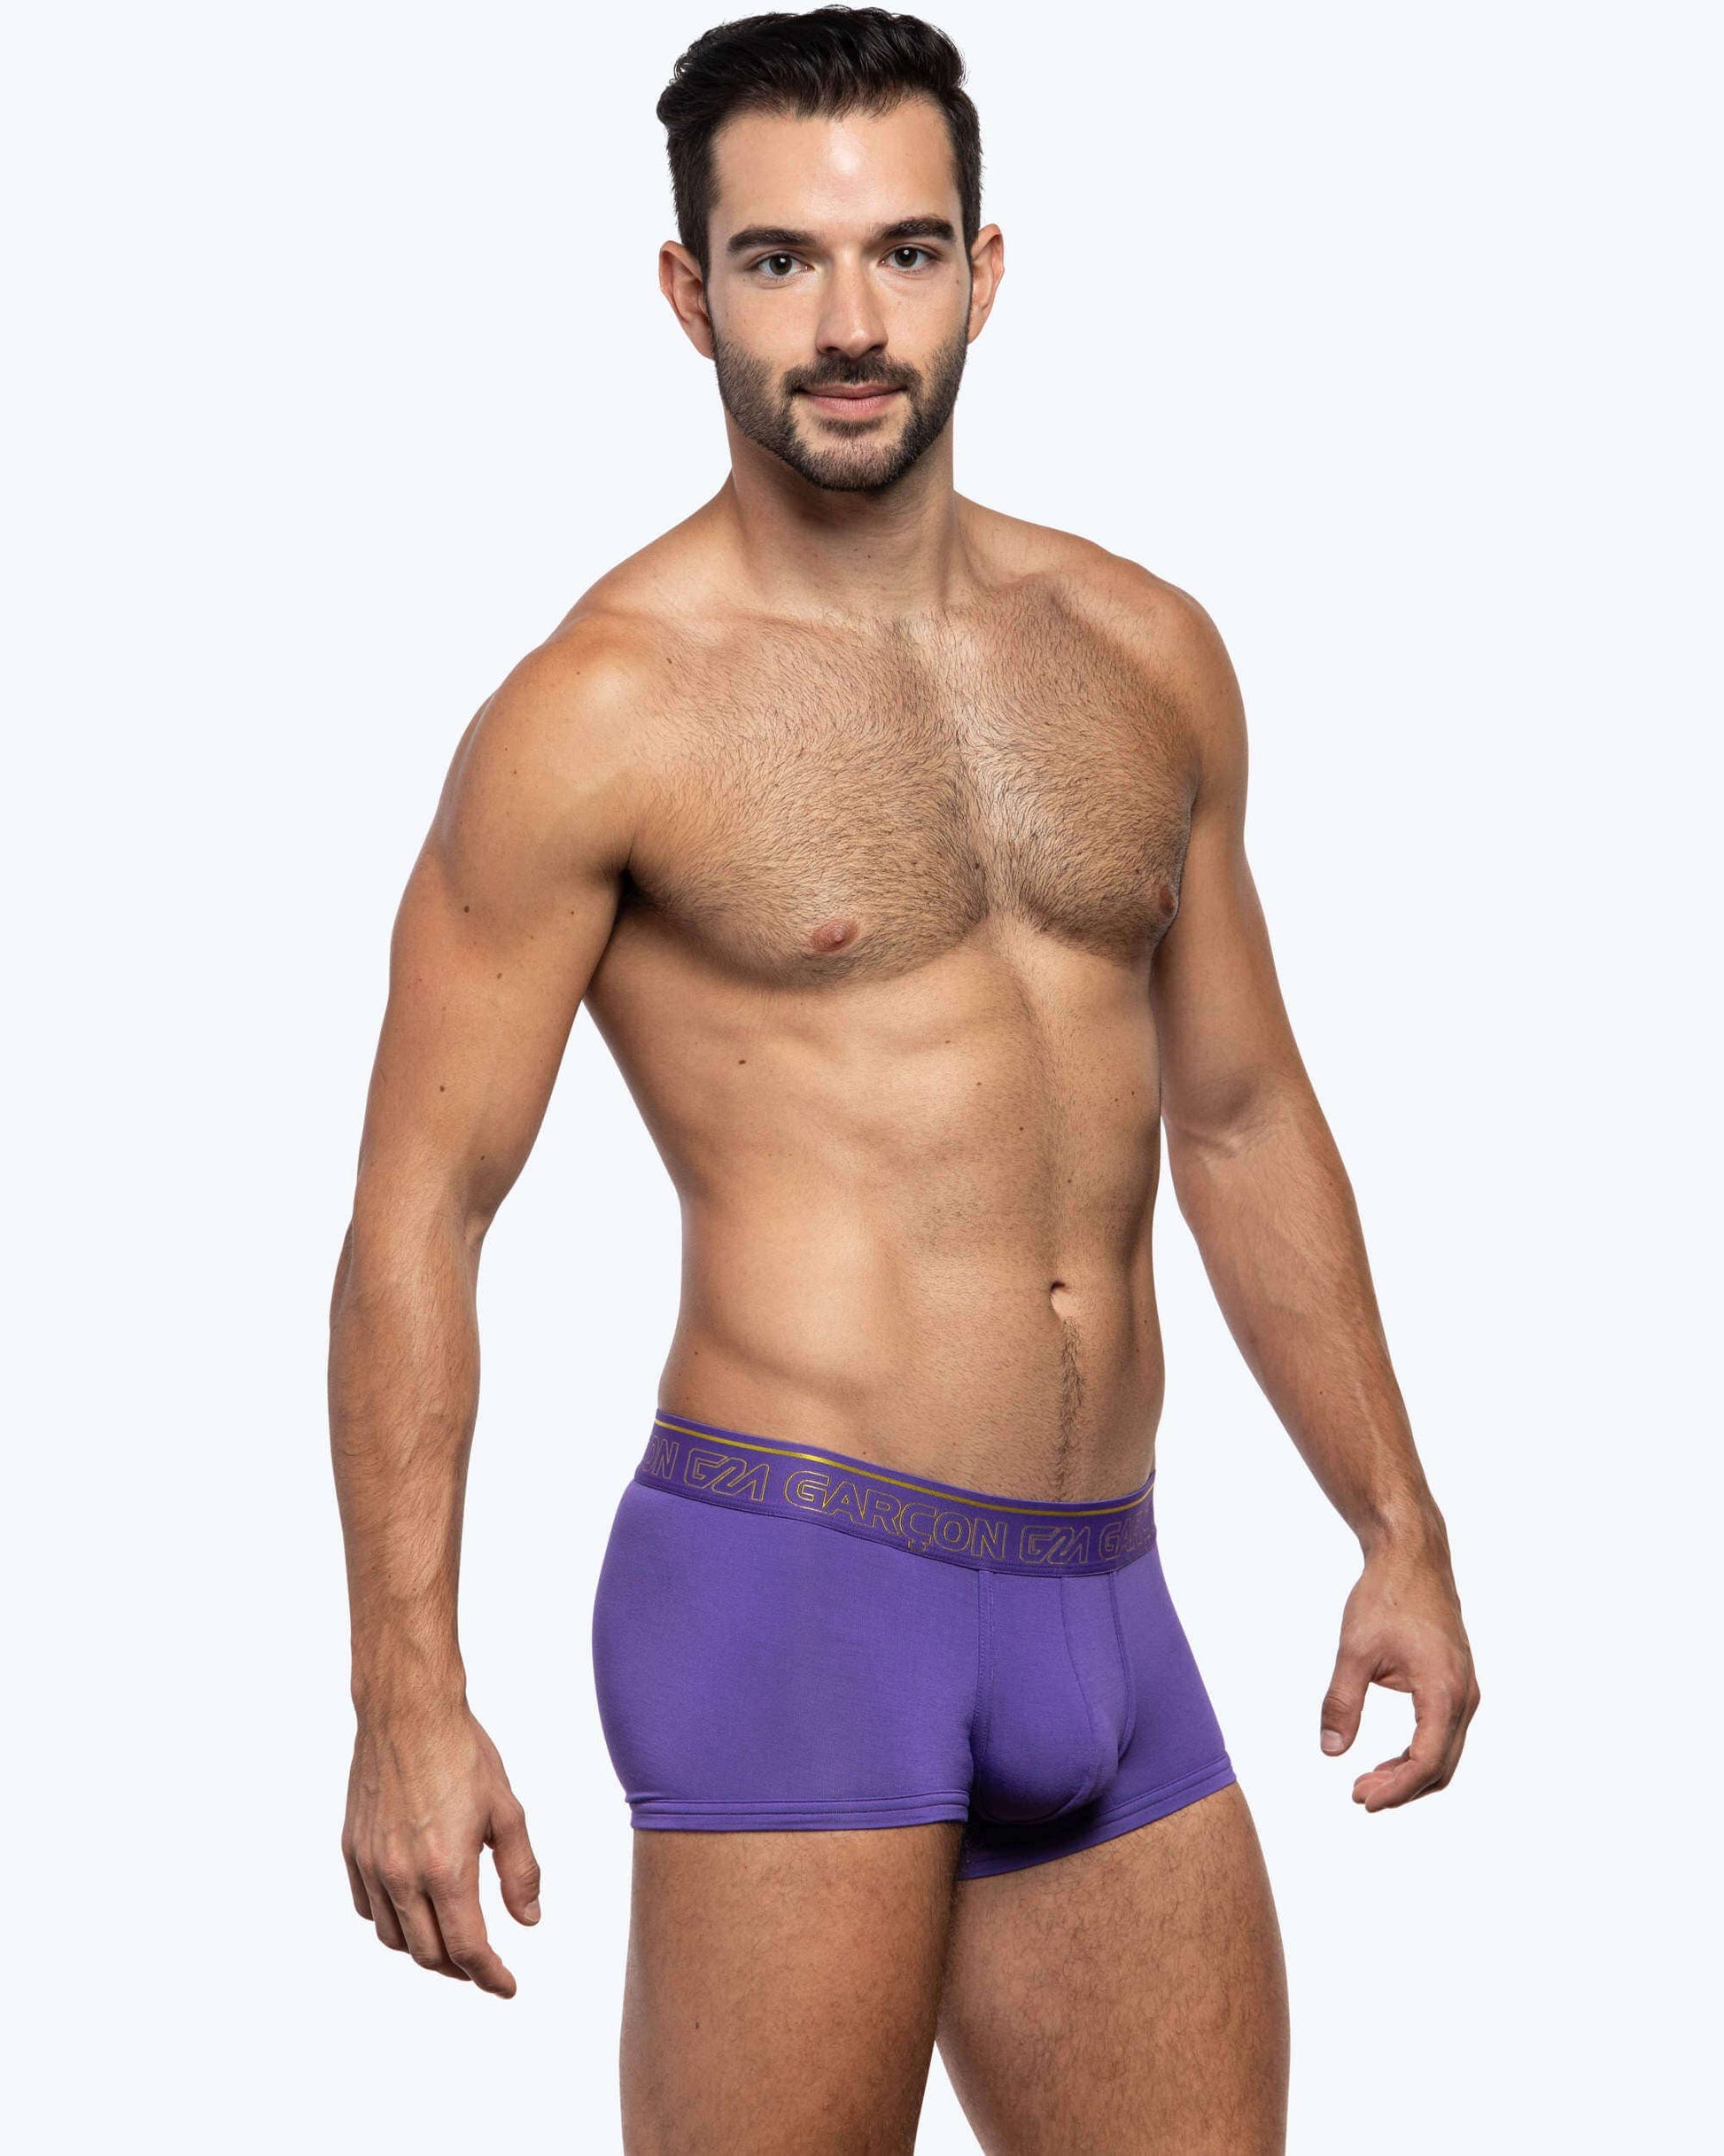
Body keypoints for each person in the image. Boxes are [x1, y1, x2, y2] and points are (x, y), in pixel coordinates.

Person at [330, 10, 1479, 2149]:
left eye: (904, 251)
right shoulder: (597, 711)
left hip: (1108, 1588)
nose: (851, 323)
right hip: (797, 1592)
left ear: (985, 268)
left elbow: (1239, 1111)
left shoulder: (1141, 650)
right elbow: (424, 1207)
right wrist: (407, 1685)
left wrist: (1394, 1519)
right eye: (780, 260)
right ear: (688, 292)